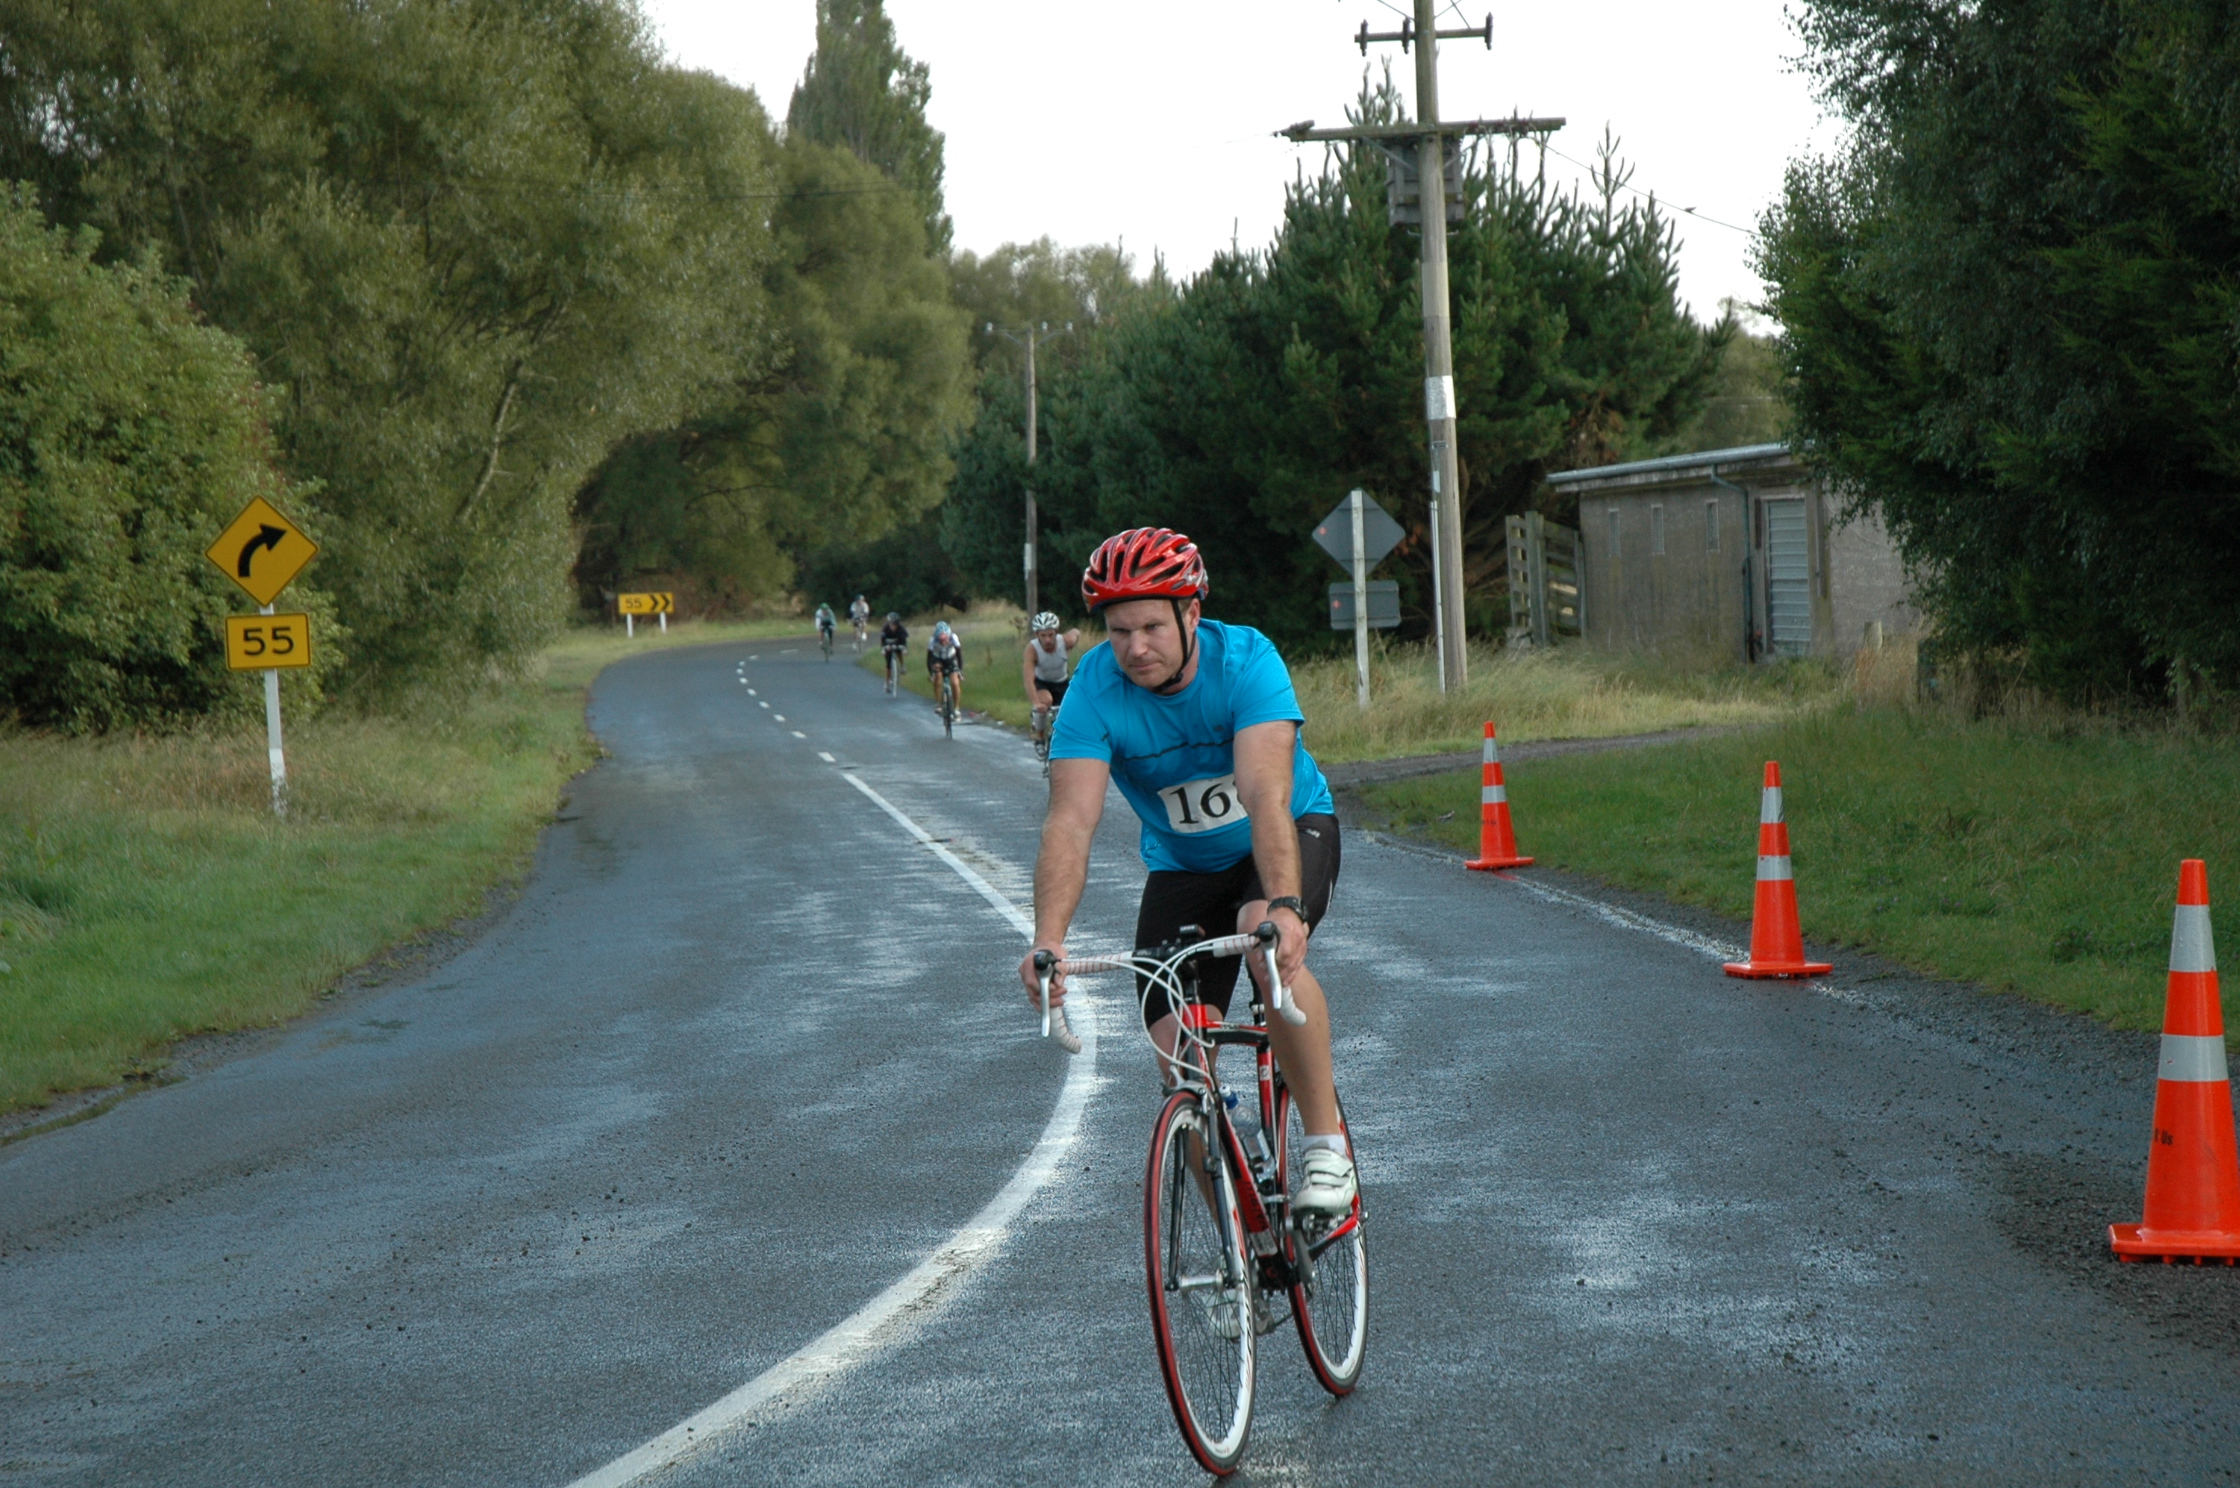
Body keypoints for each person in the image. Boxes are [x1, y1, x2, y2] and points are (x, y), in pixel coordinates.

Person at [1017, 527, 1355, 1215]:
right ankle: (1240, 1247)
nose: (1135, 647)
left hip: (1288, 832)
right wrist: (1048, 938)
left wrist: (1286, 905)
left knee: (1262, 937)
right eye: (1118, 631)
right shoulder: (1095, 689)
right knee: (1177, 1054)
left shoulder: (1246, 661)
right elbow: (1071, 821)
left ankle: (1325, 1148)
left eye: (1150, 626)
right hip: (1184, 864)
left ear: (1191, 613)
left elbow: (1265, 795)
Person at [1021, 610, 1081, 752]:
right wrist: (1036, 703)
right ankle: (1040, 737)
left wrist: (1075, 634)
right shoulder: (1032, 649)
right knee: (1045, 702)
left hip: (1062, 682)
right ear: (1037, 635)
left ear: (1056, 632)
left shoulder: (1065, 641)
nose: (1047, 640)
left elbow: (1075, 632)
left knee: (1073, 710)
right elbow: (1029, 679)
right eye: (1043, 635)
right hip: (1043, 683)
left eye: (1050, 635)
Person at [926, 619, 965, 712]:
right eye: (941, 640)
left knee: (955, 683)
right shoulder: (932, 640)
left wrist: (960, 671)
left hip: (951, 659)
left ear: (948, 636)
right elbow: (929, 659)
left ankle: (956, 708)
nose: (943, 642)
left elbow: (959, 656)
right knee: (938, 677)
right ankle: (938, 703)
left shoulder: (953, 638)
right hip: (938, 659)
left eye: (945, 639)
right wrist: (931, 673)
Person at [879, 612, 909, 693]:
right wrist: (883, 649)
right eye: (891, 624)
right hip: (888, 645)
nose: (893, 626)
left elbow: (904, 640)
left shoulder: (901, 629)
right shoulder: (885, 629)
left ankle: (902, 665)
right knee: (888, 666)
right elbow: (882, 641)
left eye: (895, 624)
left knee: (899, 651)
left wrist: (904, 649)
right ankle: (887, 683)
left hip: (898, 643)